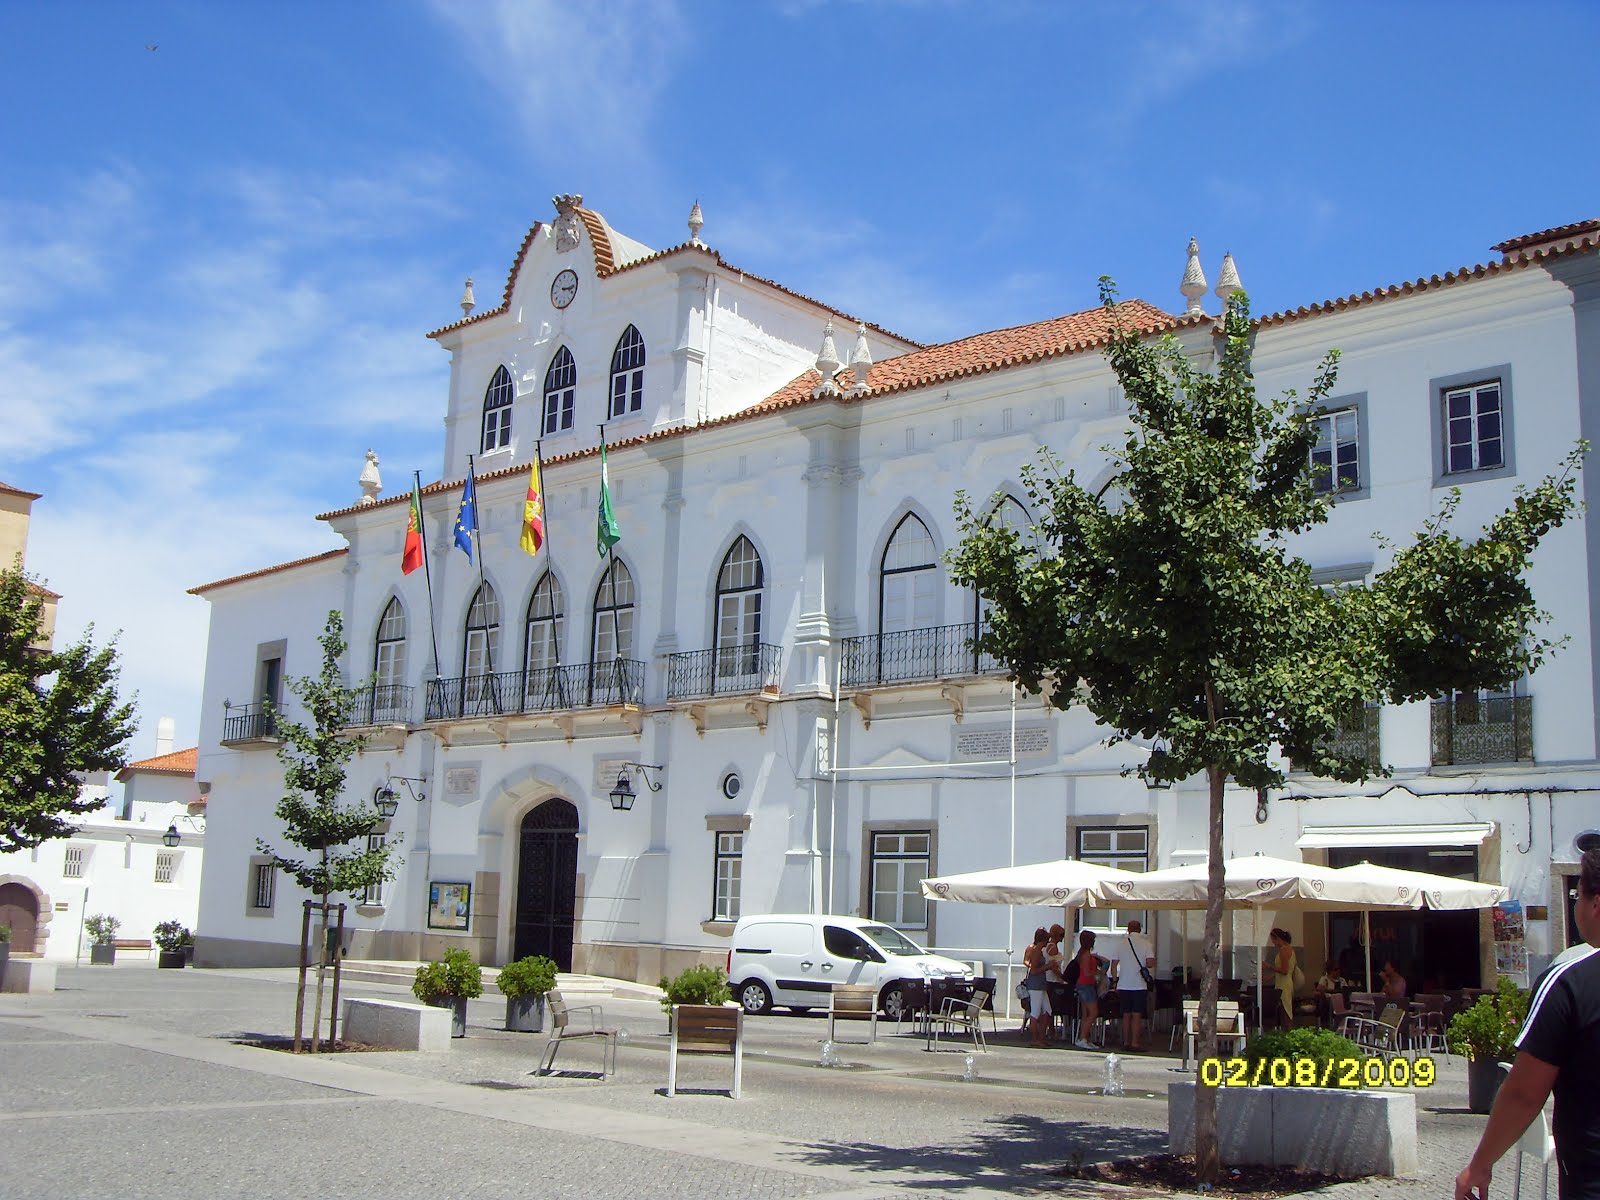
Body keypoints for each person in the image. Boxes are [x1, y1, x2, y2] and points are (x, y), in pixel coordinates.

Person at [1456, 848, 1600, 1200]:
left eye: (1576, 895)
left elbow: (1525, 1093)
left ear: (1596, 904)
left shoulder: (1569, 982)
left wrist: (1480, 1164)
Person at [1109, 918, 1155, 1050]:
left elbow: (1113, 965)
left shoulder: (1120, 944)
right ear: (1140, 929)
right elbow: (1150, 963)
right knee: (1137, 1015)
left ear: (1128, 930)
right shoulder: (1146, 944)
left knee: (1126, 1014)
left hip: (1123, 984)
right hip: (1139, 984)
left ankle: (1125, 1042)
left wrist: (1114, 981)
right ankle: (1135, 1043)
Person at [1073, 930, 1107, 1050]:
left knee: (1085, 1014)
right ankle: (1083, 1038)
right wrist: (1098, 973)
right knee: (1093, 1012)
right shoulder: (1087, 955)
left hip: (1083, 984)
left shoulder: (1082, 953)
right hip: (1086, 985)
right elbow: (1087, 972)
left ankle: (1084, 1038)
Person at [1261, 928, 1298, 1029]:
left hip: (1284, 985)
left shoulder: (1283, 951)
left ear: (1277, 938)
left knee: (1285, 1010)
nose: (1273, 943)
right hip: (1285, 982)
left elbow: (1285, 970)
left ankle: (1288, 1031)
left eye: (1273, 940)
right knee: (1284, 1009)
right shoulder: (1290, 949)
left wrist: (1269, 967)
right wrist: (1271, 977)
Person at [1021, 926, 1051, 1048]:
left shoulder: (1038, 950)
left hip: (1040, 985)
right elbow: (1033, 970)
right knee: (1036, 1011)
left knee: (1047, 1010)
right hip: (1036, 985)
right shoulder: (1037, 951)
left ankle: (1041, 1037)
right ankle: (1035, 1038)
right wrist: (1047, 967)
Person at [1043, 923, 1069, 1042]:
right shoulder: (1053, 948)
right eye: (1062, 935)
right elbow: (1054, 967)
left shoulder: (1048, 946)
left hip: (1048, 980)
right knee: (1052, 1007)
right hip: (1052, 981)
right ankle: (1051, 1030)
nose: (1063, 937)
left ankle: (1050, 1030)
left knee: (1049, 1007)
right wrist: (1063, 977)